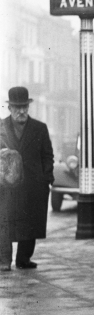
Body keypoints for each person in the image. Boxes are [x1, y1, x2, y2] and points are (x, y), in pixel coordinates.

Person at [0, 86, 54, 271]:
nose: (21, 111)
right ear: (9, 108)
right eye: (17, 108)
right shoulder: (0, 128)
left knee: (30, 222)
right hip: (7, 186)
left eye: (24, 107)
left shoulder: (40, 128)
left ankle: (23, 260)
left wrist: (45, 178)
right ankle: (3, 261)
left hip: (33, 185)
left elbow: (48, 155)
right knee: (5, 222)